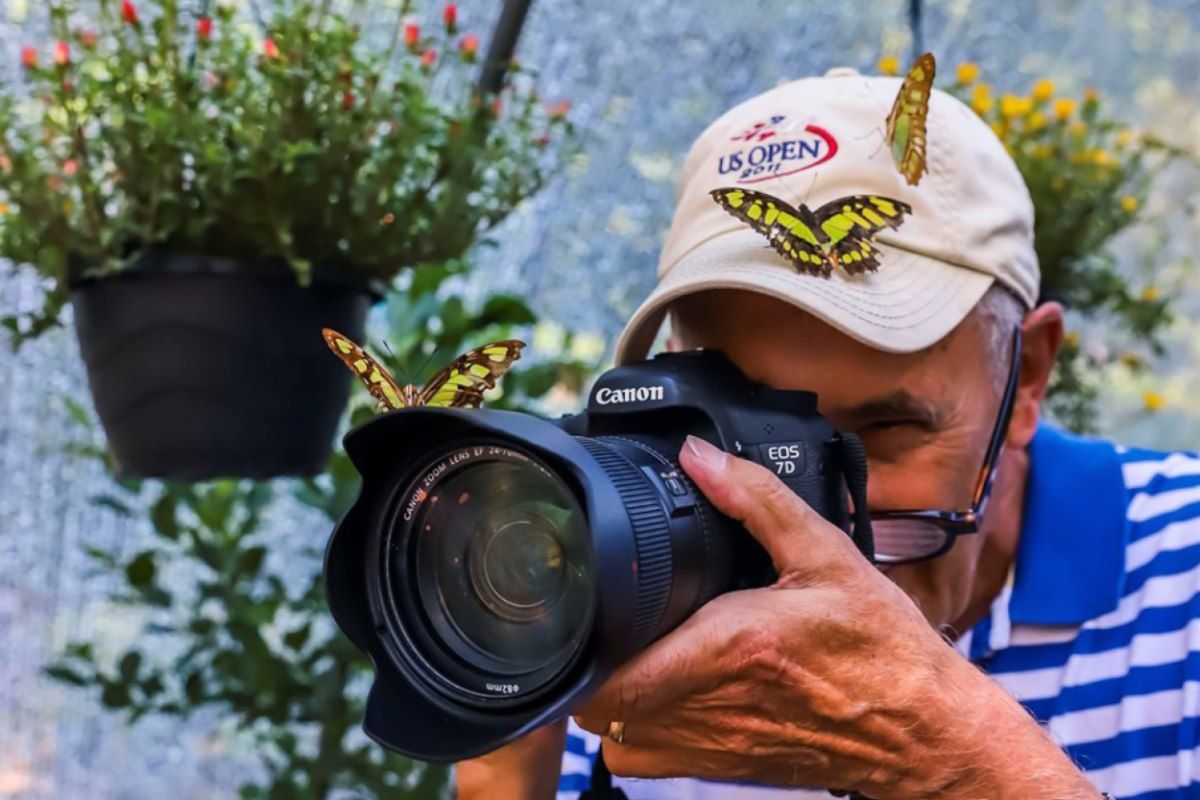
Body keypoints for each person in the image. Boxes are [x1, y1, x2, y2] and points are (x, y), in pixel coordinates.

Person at [457, 67, 1200, 800]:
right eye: (752, 432)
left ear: (1027, 375)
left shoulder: (1185, 577)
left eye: (883, 429)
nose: (818, 523)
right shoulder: (652, 613)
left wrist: (954, 759)